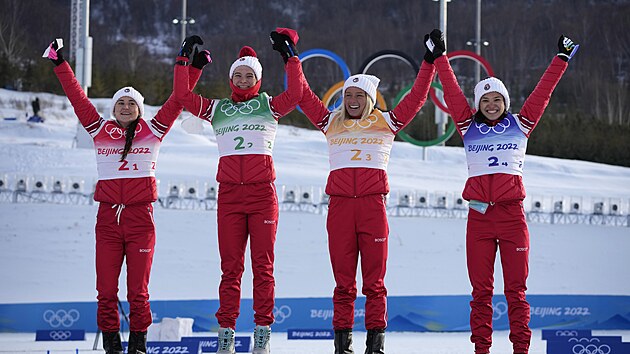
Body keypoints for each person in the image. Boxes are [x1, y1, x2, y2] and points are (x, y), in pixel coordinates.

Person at [42, 36, 210, 354]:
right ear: (113, 107)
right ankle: (112, 347)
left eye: (132, 103)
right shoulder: (99, 129)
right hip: (107, 219)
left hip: (140, 219)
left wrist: (191, 66)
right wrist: (60, 63)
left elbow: (177, 100)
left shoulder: (154, 129)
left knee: (138, 292)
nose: (126, 106)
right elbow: (77, 98)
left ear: (140, 110)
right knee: (105, 290)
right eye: (121, 102)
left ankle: (138, 347)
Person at [425, 29, 579, 354]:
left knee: (516, 293)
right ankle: (482, 349)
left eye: (497, 100)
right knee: (481, 293)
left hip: (512, 218)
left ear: (505, 103)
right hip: (479, 219)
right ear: (478, 104)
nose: (491, 105)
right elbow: (452, 92)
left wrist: (561, 59)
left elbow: (543, 92)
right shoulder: (467, 126)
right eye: (485, 100)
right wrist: (439, 57)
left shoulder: (521, 124)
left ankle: (520, 350)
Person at [296, 33, 437, 354]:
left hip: (374, 209)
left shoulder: (387, 122)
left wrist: (428, 63)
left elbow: (417, 97)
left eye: (360, 95)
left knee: (375, 285)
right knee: (344, 285)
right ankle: (342, 345)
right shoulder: (329, 121)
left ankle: (376, 345)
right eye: (349, 95)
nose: (353, 100)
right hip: (340, 210)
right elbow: (302, 94)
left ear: (371, 98)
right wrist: (291, 58)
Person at [173, 29, 304, 354]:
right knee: (230, 269)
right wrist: (186, 61)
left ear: (257, 79)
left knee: (263, 267)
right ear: (231, 78)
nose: (243, 80)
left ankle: (262, 334)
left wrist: (290, 57)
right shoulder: (218, 108)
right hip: (230, 197)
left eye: (249, 75)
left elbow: (298, 93)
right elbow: (182, 98)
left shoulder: (270, 105)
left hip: (262, 197)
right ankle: (226, 336)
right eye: (238, 75)